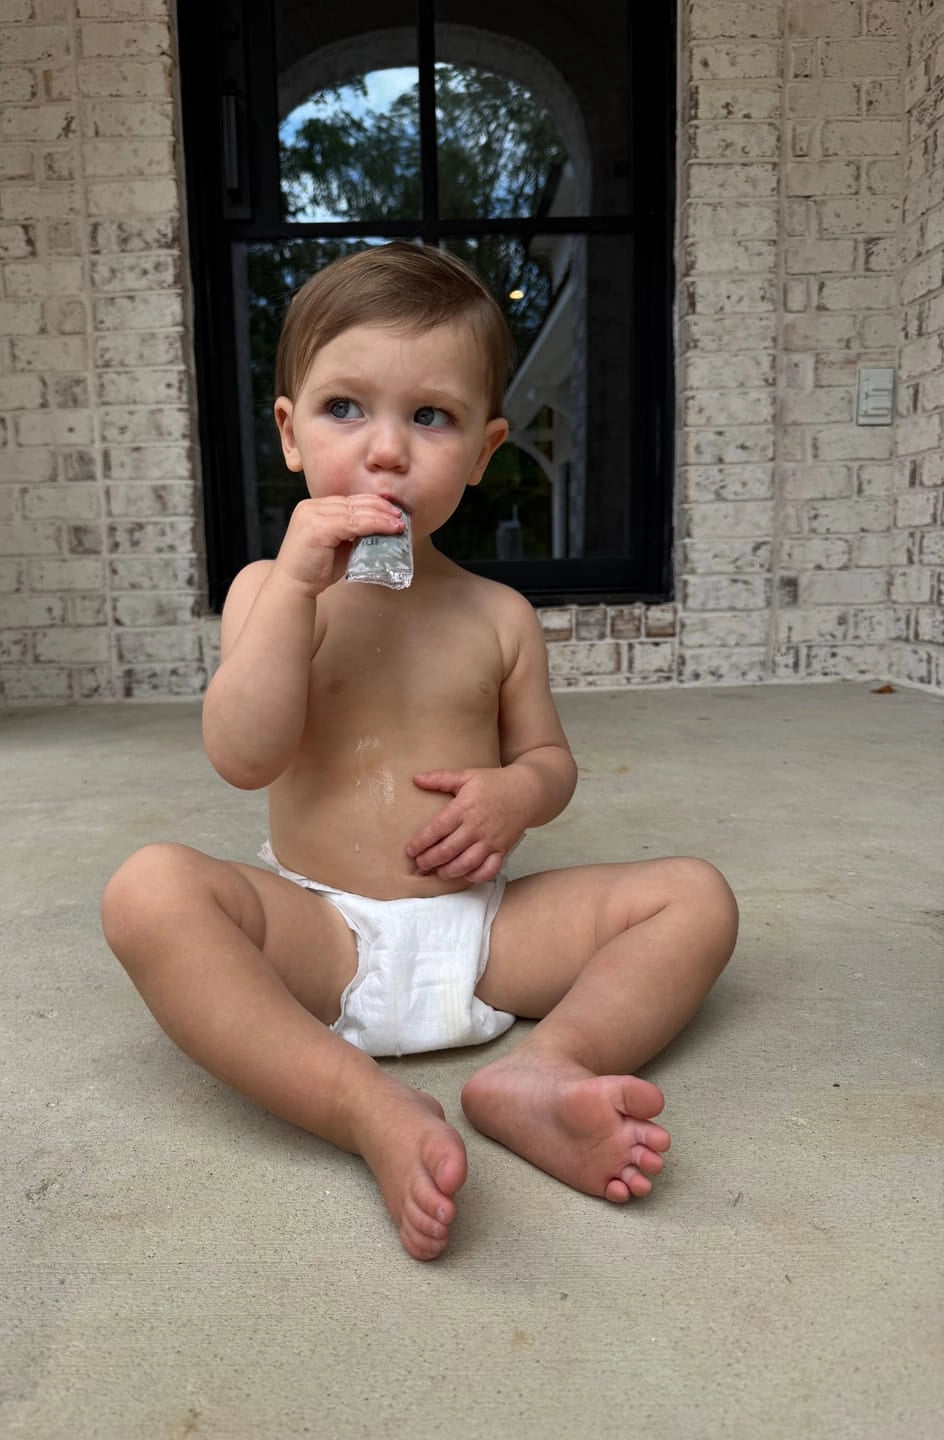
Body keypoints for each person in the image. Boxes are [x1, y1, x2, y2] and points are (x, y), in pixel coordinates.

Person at [101, 242, 738, 1261]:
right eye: (345, 408)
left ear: (484, 450)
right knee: (148, 893)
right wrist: (295, 592)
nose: (387, 449)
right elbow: (243, 755)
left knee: (694, 899)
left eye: (430, 417)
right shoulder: (268, 592)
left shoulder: (499, 615)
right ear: (290, 432)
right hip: (322, 937)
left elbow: (551, 762)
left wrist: (517, 794)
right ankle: (361, 1105)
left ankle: (547, 1069)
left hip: (485, 938)